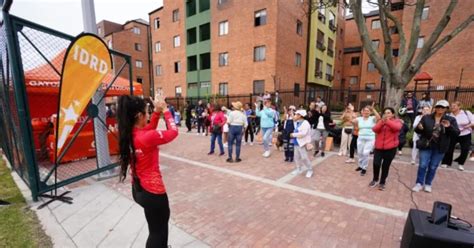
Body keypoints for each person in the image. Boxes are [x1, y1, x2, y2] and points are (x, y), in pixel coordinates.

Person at [117, 94, 178, 247]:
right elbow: (174, 131)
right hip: (153, 192)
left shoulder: (130, 133)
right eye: (147, 112)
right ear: (139, 115)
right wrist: (165, 110)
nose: (149, 115)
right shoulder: (146, 137)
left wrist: (157, 112)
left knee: (154, 229)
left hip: (138, 190)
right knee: (159, 232)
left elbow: (148, 129)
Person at [412, 100, 459, 193]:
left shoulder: (451, 119)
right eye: (438, 107)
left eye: (442, 107)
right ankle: (419, 183)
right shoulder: (426, 117)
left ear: (446, 109)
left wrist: (449, 127)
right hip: (426, 145)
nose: (440, 109)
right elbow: (418, 130)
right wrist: (419, 127)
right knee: (422, 165)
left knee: (433, 166)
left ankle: (428, 183)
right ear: (435, 107)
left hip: (440, 147)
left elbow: (456, 133)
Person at [368, 107, 402, 190]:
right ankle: (375, 179)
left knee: (385, 166)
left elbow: (397, 128)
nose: (386, 114)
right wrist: (382, 122)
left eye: (389, 113)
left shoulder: (397, 121)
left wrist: (387, 121)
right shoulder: (381, 121)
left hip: (390, 148)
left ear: (393, 114)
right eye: (385, 113)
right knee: (376, 163)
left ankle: (382, 182)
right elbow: (375, 129)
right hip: (379, 147)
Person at [440, 101, 474, 171]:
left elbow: (473, 122)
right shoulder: (449, 115)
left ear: (459, 107)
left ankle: (460, 163)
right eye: (451, 106)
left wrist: (466, 126)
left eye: (454, 106)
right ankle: (446, 162)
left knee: (465, 149)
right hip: (453, 133)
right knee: (449, 148)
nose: (452, 107)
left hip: (465, 134)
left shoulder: (466, 113)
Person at [354, 104, 380, 176]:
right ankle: (360, 165)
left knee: (366, 153)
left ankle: (364, 168)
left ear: (370, 112)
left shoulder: (372, 118)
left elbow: (378, 117)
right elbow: (352, 121)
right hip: (361, 138)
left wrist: (373, 109)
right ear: (362, 112)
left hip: (370, 138)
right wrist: (352, 112)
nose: (366, 112)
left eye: (368, 111)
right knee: (360, 152)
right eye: (365, 111)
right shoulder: (359, 119)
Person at [290, 109, 314, 178]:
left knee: (304, 158)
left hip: (302, 143)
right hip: (296, 142)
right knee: (296, 157)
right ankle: (298, 169)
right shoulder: (298, 122)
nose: (295, 115)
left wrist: (293, 135)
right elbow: (293, 119)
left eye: (296, 114)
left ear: (300, 116)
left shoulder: (305, 123)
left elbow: (303, 134)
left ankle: (310, 170)